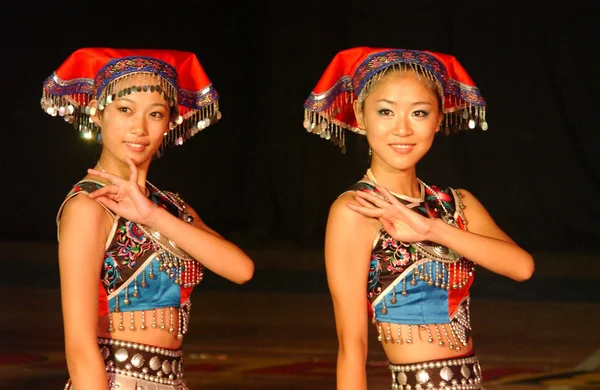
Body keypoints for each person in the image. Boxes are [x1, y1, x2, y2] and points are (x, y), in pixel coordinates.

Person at [302, 47, 534, 390]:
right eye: (385, 112)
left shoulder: (456, 204)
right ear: (361, 117)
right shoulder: (357, 210)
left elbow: (521, 267)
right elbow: (352, 346)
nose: (402, 129)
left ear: (438, 119)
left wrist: (432, 228)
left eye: (419, 113)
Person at [42, 48, 255, 390]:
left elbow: (241, 269)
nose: (139, 128)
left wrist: (153, 215)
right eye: (125, 110)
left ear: (170, 122)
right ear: (98, 113)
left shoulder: (169, 206)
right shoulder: (89, 206)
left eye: (155, 114)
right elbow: (80, 348)